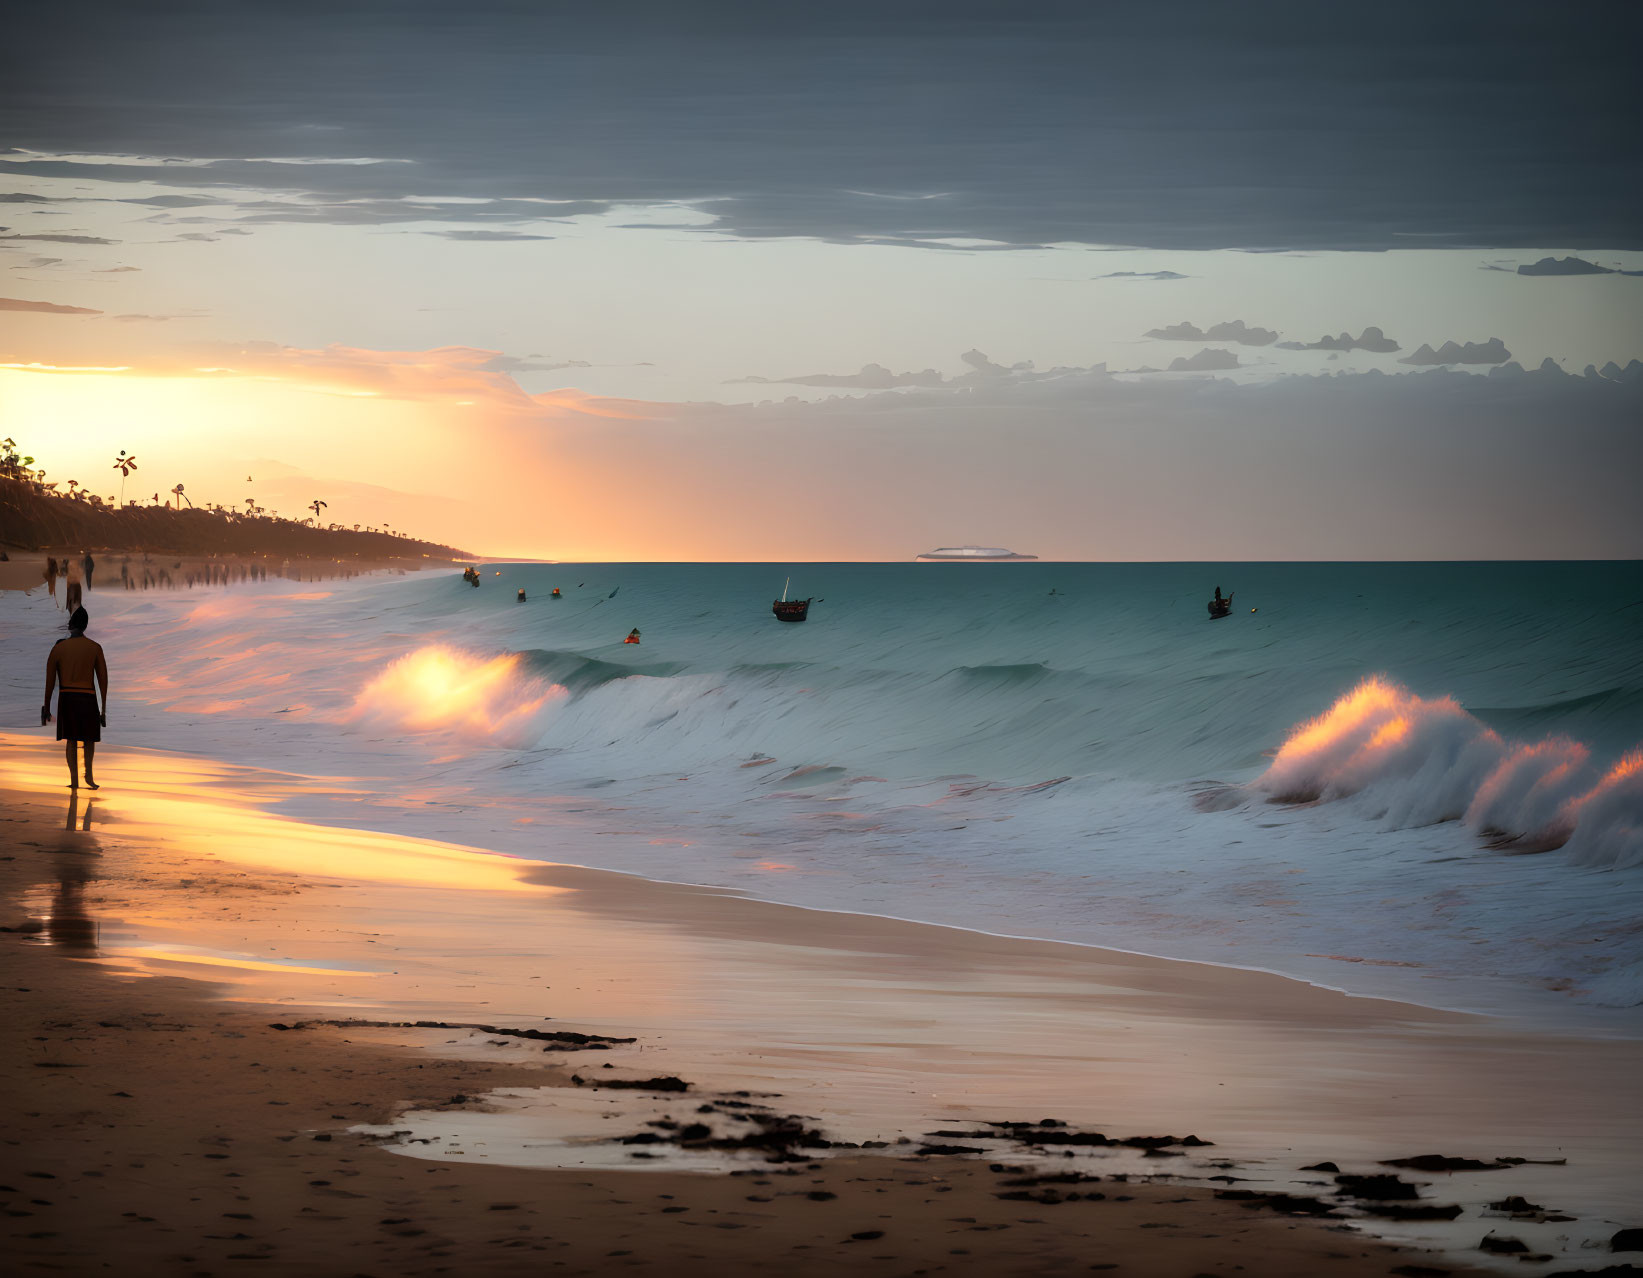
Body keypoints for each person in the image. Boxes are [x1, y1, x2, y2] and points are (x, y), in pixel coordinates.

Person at [43, 605, 109, 791]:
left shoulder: (59, 648)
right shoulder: (95, 648)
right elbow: (103, 681)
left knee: (71, 740)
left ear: (70, 624)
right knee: (89, 740)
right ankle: (89, 776)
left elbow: (49, 681)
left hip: (68, 698)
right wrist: (103, 710)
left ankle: (74, 780)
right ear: (86, 625)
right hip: (88, 697)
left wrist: (46, 707)